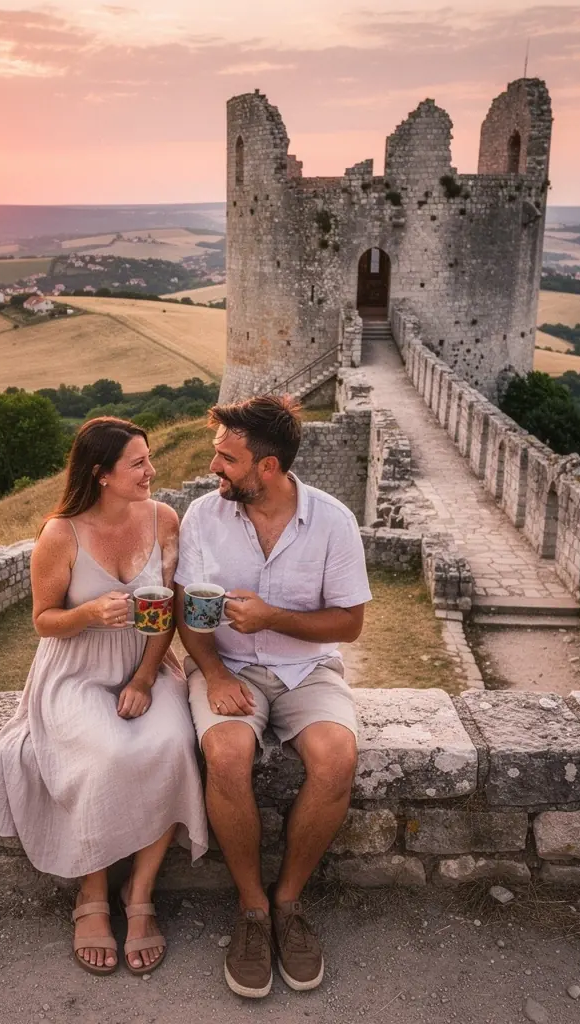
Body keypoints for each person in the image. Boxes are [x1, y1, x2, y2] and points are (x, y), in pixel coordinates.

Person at [0, 417, 208, 978]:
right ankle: (91, 889)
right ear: (100, 474)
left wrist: (143, 678)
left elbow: (167, 612)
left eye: (149, 458)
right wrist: (87, 613)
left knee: (174, 744)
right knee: (108, 754)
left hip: (148, 665)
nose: (152, 471)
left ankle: (139, 895)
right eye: (138, 463)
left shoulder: (164, 518)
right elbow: (44, 622)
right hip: (75, 672)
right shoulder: (59, 534)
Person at [174, 395, 371, 999]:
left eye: (227, 458)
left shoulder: (333, 521)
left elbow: (348, 625)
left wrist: (272, 619)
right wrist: (212, 674)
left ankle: (290, 901)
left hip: (307, 671)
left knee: (337, 756)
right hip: (226, 666)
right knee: (227, 756)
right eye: (216, 454)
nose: (215, 467)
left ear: (268, 468)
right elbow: (188, 612)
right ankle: (253, 910)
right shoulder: (202, 517)